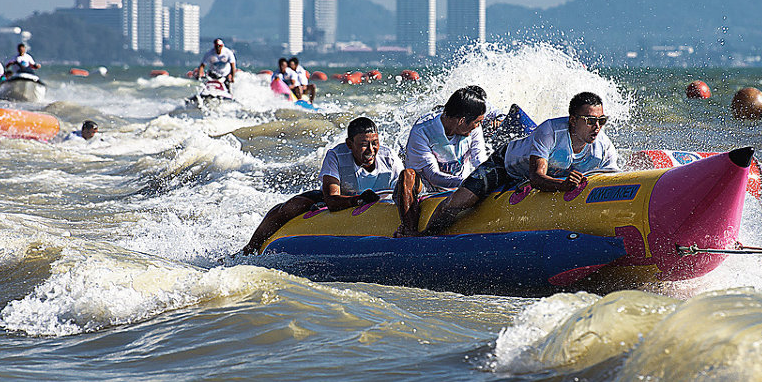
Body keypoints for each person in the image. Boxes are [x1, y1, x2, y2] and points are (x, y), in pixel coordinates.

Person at [422, 91, 619, 235]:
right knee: (460, 202)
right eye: (590, 120)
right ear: (573, 121)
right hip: (504, 166)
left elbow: (612, 180)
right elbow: (536, 178)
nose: (597, 127)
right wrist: (563, 185)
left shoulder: (603, 147)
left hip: (552, 175)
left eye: (602, 120)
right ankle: (424, 236)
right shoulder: (550, 130)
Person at [240, 117, 405, 255]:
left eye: (375, 143)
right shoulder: (336, 155)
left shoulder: (388, 157)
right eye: (363, 144)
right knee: (293, 206)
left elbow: (404, 189)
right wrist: (358, 200)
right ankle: (250, 248)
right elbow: (332, 201)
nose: (371, 150)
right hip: (343, 197)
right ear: (349, 144)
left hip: (378, 201)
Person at [394, 86, 489, 237]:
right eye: (476, 122)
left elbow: (480, 161)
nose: (478, 126)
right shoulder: (422, 131)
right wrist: (469, 183)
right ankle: (410, 231)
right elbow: (433, 176)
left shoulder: (474, 129)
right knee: (408, 175)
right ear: (462, 121)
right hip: (426, 189)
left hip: (457, 188)